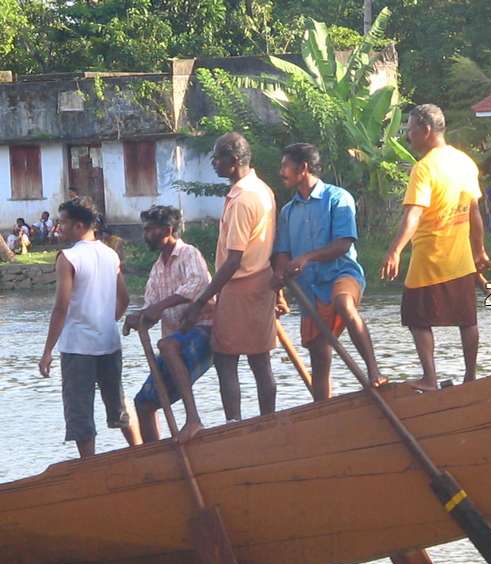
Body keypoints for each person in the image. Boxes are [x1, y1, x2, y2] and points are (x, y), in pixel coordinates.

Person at [380, 104, 491, 392]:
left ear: (426, 131)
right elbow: (474, 214)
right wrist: (479, 251)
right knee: (467, 319)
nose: (408, 137)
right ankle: (471, 378)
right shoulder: (465, 162)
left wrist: (395, 251)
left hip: (430, 259)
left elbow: (413, 215)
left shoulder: (424, 168)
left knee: (416, 318)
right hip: (461, 260)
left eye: (410, 131)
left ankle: (429, 378)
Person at [273, 143, 386, 402]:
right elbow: (282, 253)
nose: (282, 172)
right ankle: (323, 410)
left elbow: (344, 243)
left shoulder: (337, 198)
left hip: (341, 273)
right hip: (310, 289)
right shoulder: (288, 211)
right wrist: (280, 278)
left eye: (285, 166)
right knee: (319, 355)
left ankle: (374, 372)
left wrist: (308, 257)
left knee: (344, 303)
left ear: (303, 168)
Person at [181, 132, 278, 420]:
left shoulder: (243, 199)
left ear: (233, 162)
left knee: (226, 359)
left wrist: (201, 300)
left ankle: (234, 424)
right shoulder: (263, 190)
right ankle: (268, 422)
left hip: (240, 287)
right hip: (262, 281)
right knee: (261, 360)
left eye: (217, 158)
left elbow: (233, 260)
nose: (213, 163)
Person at [38, 198, 141, 457]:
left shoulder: (69, 258)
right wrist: (105, 321)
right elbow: (125, 299)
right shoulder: (111, 254)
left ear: (79, 225)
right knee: (117, 405)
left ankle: (89, 468)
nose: (59, 228)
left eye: (63, 223)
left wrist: (47, 351)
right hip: (108, 343)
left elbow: (61, 307)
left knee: (80, 412)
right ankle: (141, 454)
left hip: (78, 348)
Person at [124, 206, 215, 444]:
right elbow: (152, 309)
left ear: (168, 230)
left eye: (151, 230)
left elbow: (197, 285)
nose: (146, 235)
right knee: (142, 403)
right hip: (175, 342)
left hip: (203, 332)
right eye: (145, 230)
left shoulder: (188, 254)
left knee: (167, 345)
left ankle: (193, 419)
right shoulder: (156, 269)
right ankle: (155, 456)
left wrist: (159, 307)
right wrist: (138, 318)